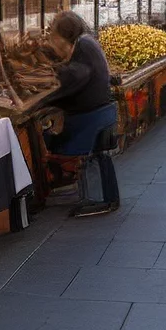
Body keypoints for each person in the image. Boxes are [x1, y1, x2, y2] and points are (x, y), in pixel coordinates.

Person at [43, 11, 120, 216]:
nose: (51, 41)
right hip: (97, 115)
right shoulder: (86, 42)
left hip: (88, 120)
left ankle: (86, 193)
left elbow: (73, 78)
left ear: (63, 36)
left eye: (53, 36)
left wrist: (45, 97)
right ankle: (75, 187)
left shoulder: (83, 48)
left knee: (45, 135)